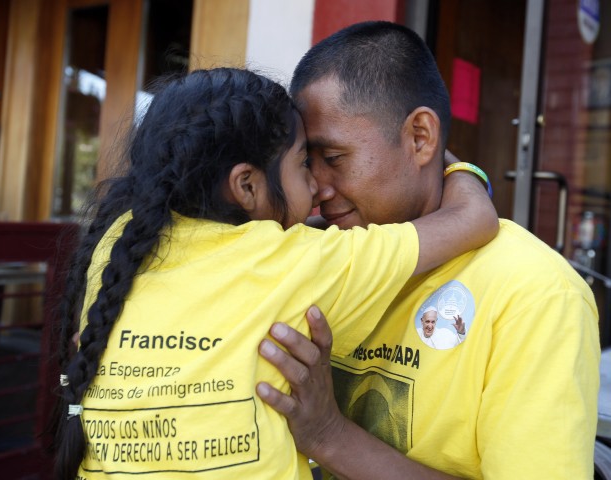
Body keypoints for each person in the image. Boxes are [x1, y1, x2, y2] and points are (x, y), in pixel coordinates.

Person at [53, 67, 498, 480]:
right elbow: (473, 218)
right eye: (305, 162)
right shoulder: (297, 262)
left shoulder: (117, 243)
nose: (318, 187)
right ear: (246, 185)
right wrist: (452, 163)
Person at [256, 21, 601, 479]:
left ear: (420, 137)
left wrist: (328, 435)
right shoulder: (315, 254)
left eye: (334, 159)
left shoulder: (535, 294)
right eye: (306, 163)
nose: (316, 188)